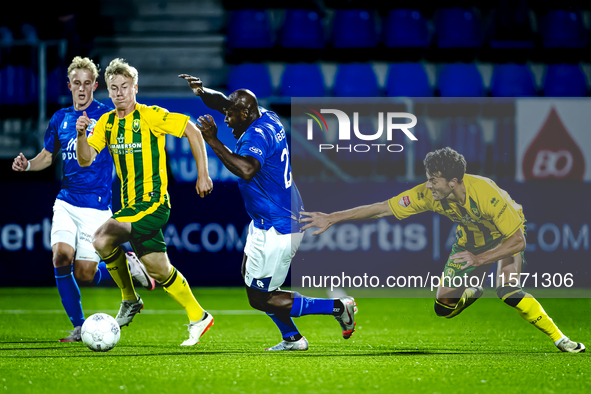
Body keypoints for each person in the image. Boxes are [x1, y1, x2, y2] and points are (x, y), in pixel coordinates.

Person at [301, 147, 585, 353]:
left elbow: (518, 241)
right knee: (443, 309)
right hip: (468, 244)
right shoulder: (430, 195)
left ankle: (562, 340)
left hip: (504, 241)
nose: (428, 185)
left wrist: (480, 259)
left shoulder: (487, 194)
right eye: (428, 178)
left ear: (453, 182)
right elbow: (382, 209)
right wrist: (332, 217)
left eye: (434, 179)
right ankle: (474, 292)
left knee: (508, 291)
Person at [178, 74, 357, 351]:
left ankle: (337, 307)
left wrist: (213, 141)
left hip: (279, 225)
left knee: (261, 297)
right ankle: (292, 338)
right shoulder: (265, 115)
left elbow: (247, 169)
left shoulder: (256, 136)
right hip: (269, 219)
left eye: (231, 116)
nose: (226, 120)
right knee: (251, 277)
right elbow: (227, 104)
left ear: (246, 113)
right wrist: (203, 92)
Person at [11, 56, 155, 342]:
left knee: (86, 274)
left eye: (87, 83)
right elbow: (47, 157)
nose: (81, 88)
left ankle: (126, 264)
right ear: (69, 85)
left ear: (95, 86)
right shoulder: (59, 119)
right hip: (66, 201)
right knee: (61, 256)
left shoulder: (107, 116)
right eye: (76, 83)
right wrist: (27, 165)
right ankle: (78, 326)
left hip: (96, 207)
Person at [75, 58, 214, 346]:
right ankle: (199, 316)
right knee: (160, 271)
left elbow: (192, 130)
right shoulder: (106, 122)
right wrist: (80, 135)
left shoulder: (151, 115)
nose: (119, 93)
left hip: (153, 203)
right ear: (109, 92)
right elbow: (85, 158)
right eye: (113, 88)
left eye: (124, 87)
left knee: (101, 238)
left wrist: (203, 175)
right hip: (129, 206)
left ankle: (129, 296)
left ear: (134, 88)